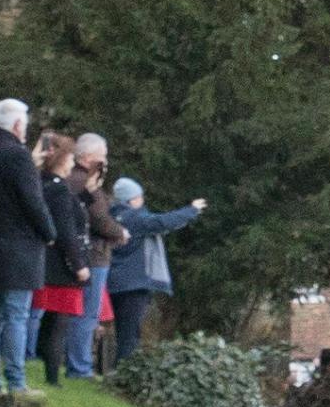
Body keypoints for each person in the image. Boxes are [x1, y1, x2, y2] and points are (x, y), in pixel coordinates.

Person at [0, 100, 54, 399]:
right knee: (16, 316)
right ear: (18, 125)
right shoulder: (18, 156)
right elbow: (33, 202)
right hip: (18, 250)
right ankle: (16, 382)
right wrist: (50, 232)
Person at [104, 177, 202, 366]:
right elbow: (165, 222)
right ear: (131, 199)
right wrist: (192, 210)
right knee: (129, 335)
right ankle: (121, 374)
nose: (142, 201)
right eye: (140, 197)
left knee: (117, 331)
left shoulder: (110, 217)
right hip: (134, 286)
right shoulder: (137, 219)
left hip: (113, 282)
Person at [29, 132, 94, 388]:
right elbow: (67, 231)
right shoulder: (57, 189)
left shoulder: (41, 183)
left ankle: (46, 366)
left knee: (49, 319)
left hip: (48, 263)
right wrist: (79, 265)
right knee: (58, 322)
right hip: (61, 268)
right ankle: (52, 376)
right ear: (62, 158)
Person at [63, 132, 126, 377]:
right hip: (96, 255)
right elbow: (99, 219)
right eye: (103, 157)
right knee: (87, 313)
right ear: (89, 158)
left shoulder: (70, 179)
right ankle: (80, 367)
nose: (105, 163)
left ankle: (74, 363)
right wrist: (120, 231)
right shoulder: (87, 184)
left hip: (83, 252)